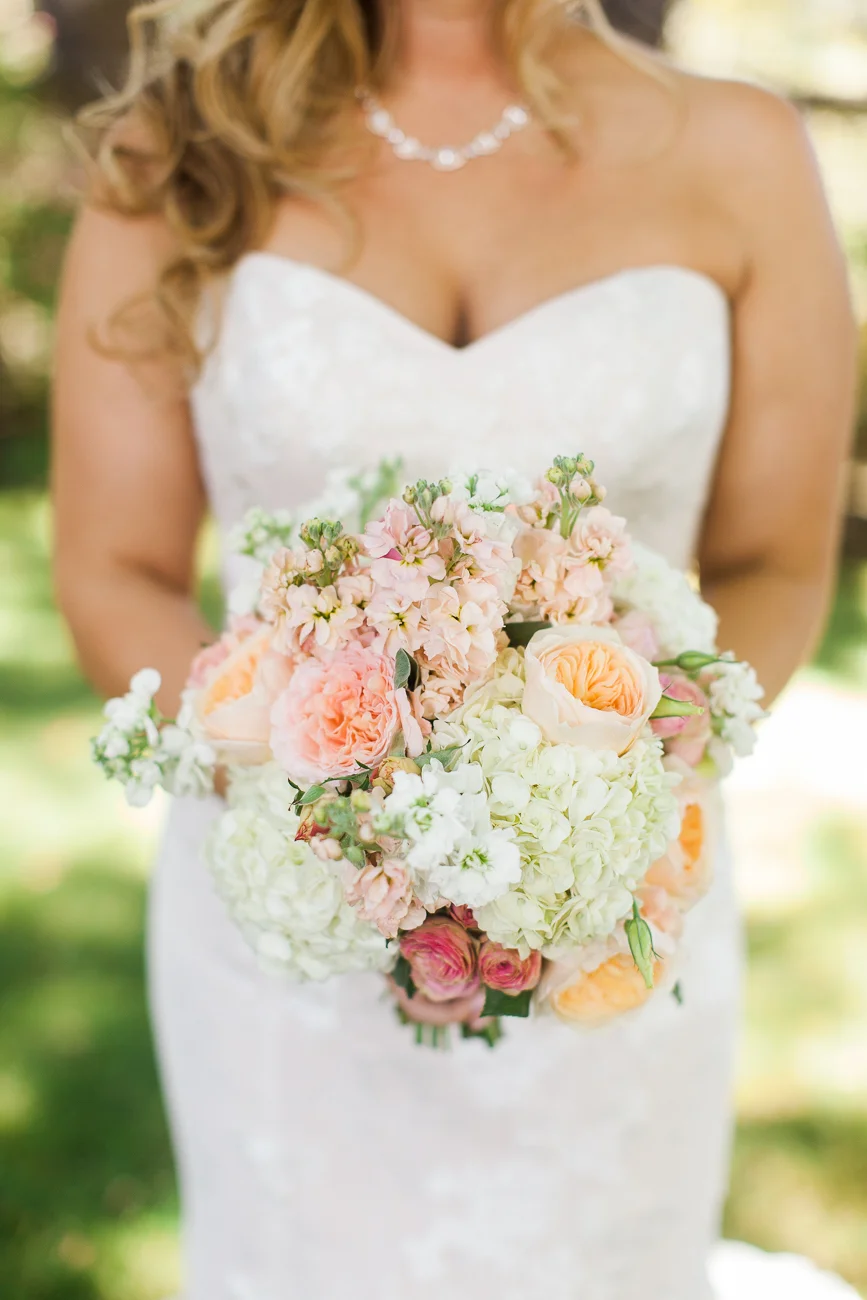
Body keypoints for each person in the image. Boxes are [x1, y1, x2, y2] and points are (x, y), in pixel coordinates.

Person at [52, 2, 858, 1298]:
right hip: (286, 937)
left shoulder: (740, 150)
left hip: (608, 923)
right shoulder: (183, 150)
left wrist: (612, 794)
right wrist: (335, 815)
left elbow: (775, 562)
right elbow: (115, 567)